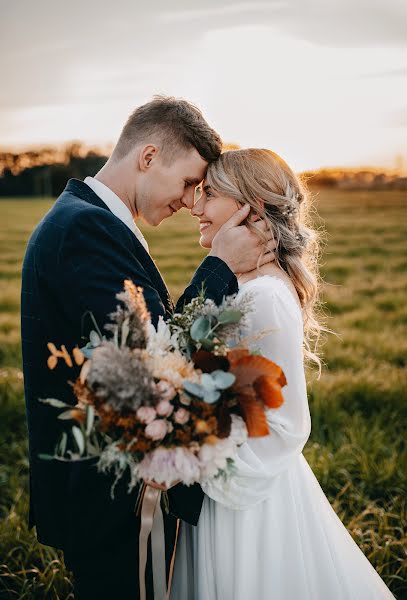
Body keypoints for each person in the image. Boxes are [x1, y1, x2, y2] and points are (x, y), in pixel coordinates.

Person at [20, 98, 276, 600]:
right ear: (148, 156)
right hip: (111, 498)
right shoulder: (83, 228)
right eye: (187, 182)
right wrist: (221, 266)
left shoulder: (88, 218)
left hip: (107, 491)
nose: (189, 201)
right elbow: (154, 359)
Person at [171, 148, 395, 600]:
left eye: (208, 194)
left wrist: (198, 452)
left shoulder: (264, 297)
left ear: (246, 207)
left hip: (244, 498)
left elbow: (282, 422)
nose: (195, 207)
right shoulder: (246, 285)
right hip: (227, 481)